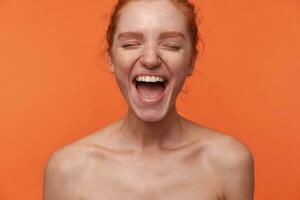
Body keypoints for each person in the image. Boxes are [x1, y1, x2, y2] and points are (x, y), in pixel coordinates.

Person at [43, 0, 254, 199]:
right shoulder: (67, 170)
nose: (151, 59)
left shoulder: (228, 163)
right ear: (110, 57)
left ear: (191, 61)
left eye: (171, 45)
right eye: (131, 44)